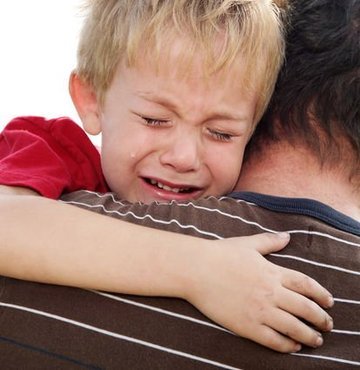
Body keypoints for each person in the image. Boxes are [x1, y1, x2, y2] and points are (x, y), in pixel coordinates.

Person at [0, 0, 358, 368]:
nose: (184, 157)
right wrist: (196, 269)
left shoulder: (236, 202)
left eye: (221, 133)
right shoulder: (55, 150)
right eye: (155, 120)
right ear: (91, 100)